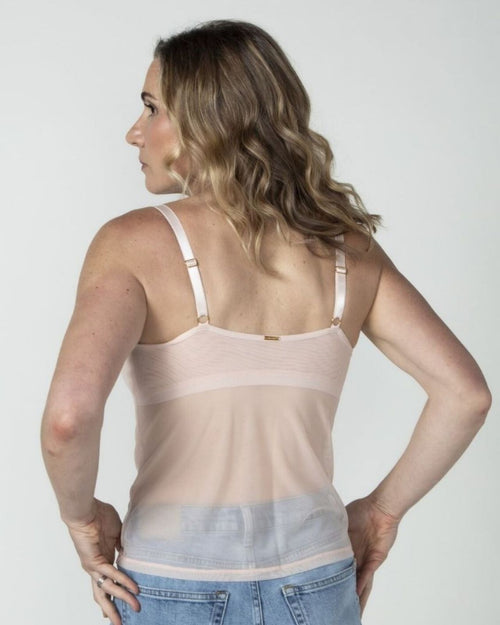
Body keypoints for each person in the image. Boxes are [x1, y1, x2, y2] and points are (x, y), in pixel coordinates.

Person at [40, 19, 491, 625]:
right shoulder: (350, 253)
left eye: (152, 108)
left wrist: (82, 519)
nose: (134, 132)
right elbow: (466, 395)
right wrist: (383, 512)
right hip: (319, 581)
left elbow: (67, 420)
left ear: (208, 120)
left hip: (173, 583)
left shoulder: (131, 244)